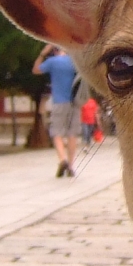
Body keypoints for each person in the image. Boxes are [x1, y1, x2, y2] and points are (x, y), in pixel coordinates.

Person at [33, 43, 82, 177]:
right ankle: (71, 166)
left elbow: (36, 69)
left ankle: (63, 159)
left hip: (59, 101)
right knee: (72, 135)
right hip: (75, 102)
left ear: (54, 50)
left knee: (57, 134)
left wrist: (43, 53)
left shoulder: (53, 62)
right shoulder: (75, 61)